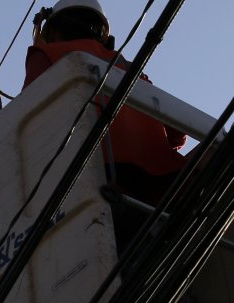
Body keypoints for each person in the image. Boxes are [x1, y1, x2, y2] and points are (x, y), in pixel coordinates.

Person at [24, 0, 188, 246]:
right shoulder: (129, 67)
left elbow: (30, 121)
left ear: (54, 31)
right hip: (157, 186)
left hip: (93, 178)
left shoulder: (47, 56)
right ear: (102, 34)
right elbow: (177, 134)